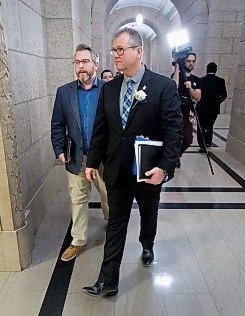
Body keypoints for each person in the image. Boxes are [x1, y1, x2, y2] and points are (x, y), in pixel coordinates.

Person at [81, 28, 182, 297]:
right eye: (113, 50)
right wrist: (92, 162)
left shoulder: (163, 86)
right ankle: (107, 280)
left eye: (120, 49)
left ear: (139, 51)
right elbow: (101, 129)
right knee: (116, 223)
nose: (115, 55)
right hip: (117, 170)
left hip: (148, 170)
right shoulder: (109, 88)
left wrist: (165, 168)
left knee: (149, 213)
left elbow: (174, 131)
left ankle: (147, 243)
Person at [50, 43, 109, 262]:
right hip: (76, 157)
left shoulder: (108, 90)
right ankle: (78, 240)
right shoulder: (64, 92)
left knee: (107, 194)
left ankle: (111, 223)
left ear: (96, 63)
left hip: (104, 158)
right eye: (77, 62)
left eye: (85, 61)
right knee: (77, 198)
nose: (81, 66)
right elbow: (57, 124)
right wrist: (59, 149)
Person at [171, 52, 201, 166]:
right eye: (188, 61)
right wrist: (177, 67)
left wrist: (190, 88)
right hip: (176, 112)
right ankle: (172, 157)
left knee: (188, 139)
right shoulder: (176, 75)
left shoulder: (197, 80)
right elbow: (174, 86)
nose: (191, 63)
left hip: (188, 113)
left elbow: (198, 97)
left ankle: (178, 154)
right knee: (174, 138)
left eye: (193, 61)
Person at [194, 62, 227, 152]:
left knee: (201, 126)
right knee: (209, 126)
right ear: (216, 70)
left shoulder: (201, 80)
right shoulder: (220, 81)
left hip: (201, 107)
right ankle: (208, 142)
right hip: (213, 108)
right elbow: (224, 95)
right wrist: (217, 102)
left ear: (207, 69)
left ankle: (202, 145)